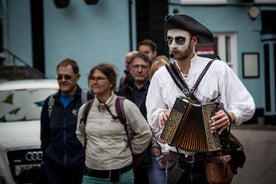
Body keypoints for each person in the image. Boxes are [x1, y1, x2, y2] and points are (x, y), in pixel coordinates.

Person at [146, 14, 255, 184]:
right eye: (170, 40)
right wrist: (162, 115)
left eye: (180, 40)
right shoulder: (161, 75)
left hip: (209, 161)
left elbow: (247, 105)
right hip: (176, 161)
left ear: (194, 41)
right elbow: (152, 113)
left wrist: (230, 116)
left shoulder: (217, 69)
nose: (173, 45)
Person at [76, 63, 152, 184]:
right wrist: (92, 149)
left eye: (100, 78)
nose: (95, 82)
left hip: (120, 176)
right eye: (92, 78)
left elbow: (145, 133)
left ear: (111, 82)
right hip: (90, 175)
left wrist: (128, 150)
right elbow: (80, 134)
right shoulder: (85, 109)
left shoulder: (125, 106)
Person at [40, 58, 94, 184]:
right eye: (59, 77)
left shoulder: (88, 100)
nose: (63, 80)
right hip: (55, 171)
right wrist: (49, 158)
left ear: (77, 77)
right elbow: (45, 136)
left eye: (67, 77)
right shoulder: (50, 103)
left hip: (82, 169)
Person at [117, 52, 152, 184]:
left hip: (151, 153)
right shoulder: (121, 93)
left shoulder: (155, 91)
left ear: (149, 69)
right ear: (130, 69)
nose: (139, 70)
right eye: (136, 66)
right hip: (127, 153)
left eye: (143, 67)